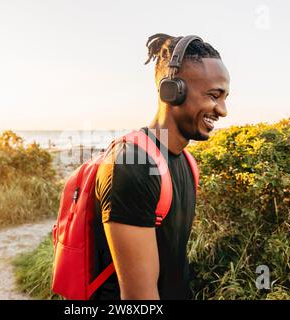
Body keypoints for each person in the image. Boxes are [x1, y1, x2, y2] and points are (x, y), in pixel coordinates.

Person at [91, 33, 230, 300]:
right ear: (172, 91)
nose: (222, 110)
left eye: (225, 97)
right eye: (214, 96)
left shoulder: (187, 162)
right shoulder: (131, 165)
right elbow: (139, 298)